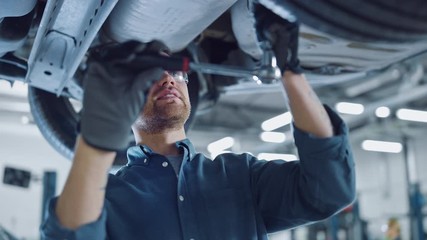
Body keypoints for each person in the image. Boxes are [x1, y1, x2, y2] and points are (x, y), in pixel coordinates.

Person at [40, 4, 355, 240]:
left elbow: (329, 190)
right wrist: (97, 138)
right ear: (125, 97)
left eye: (174, 70)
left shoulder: (242, 176)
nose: (167, 78)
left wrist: (290, 70)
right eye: (150, 75)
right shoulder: (106, 197)